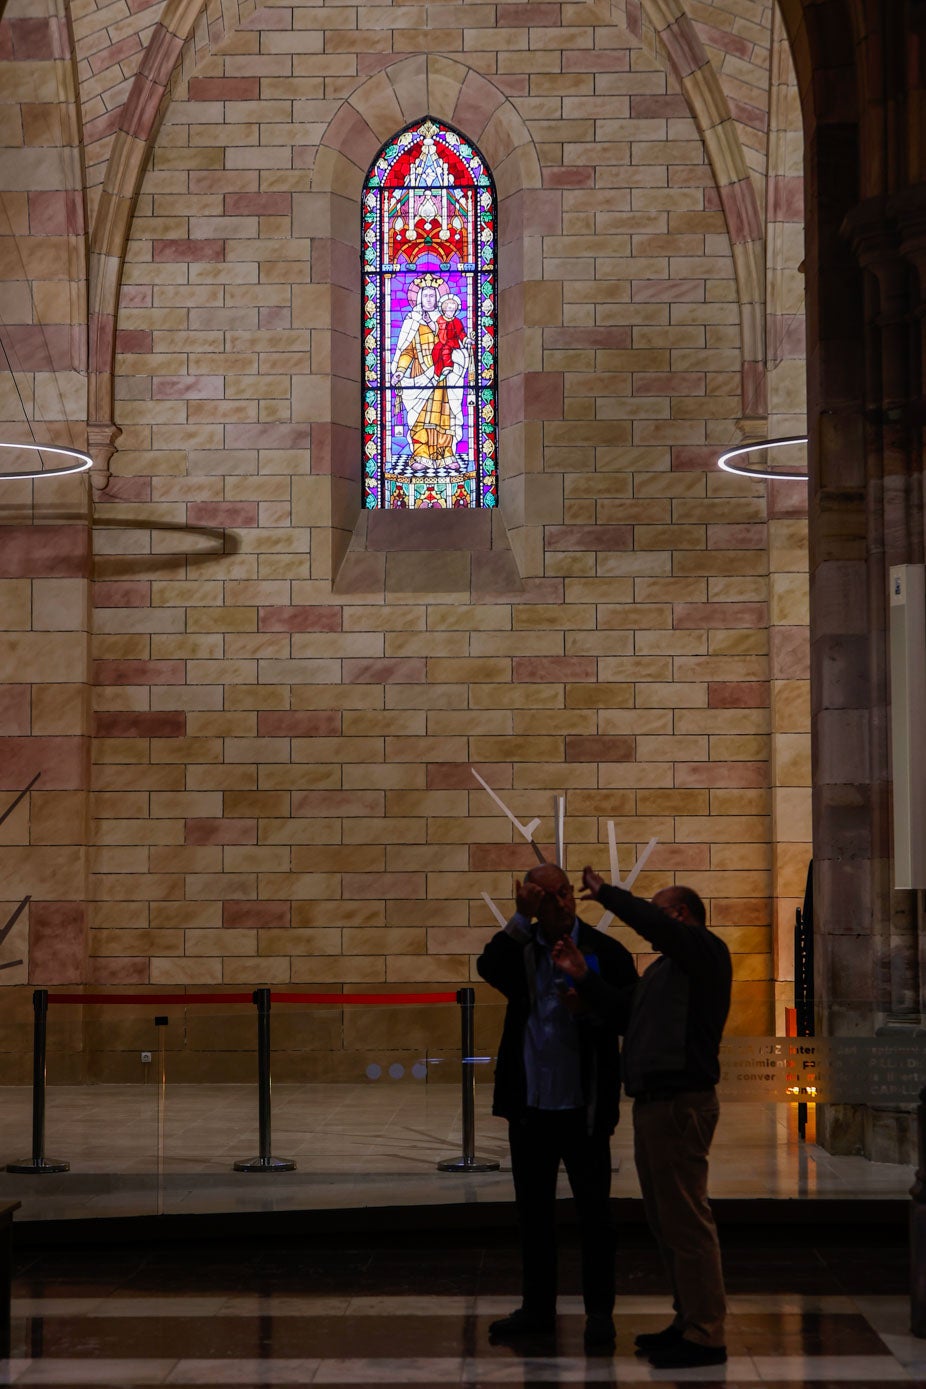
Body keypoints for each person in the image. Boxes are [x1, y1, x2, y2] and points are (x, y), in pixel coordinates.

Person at [553, 868, 732, 1369]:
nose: (654, 920)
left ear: (679, 915)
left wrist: (608, 894)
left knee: (687, 1221)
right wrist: (583, 980)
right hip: (656, 1105)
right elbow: (625, 1013)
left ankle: (706, 1334)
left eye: (660, 910)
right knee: (666, 1221)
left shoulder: (705, 952)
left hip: (680, 1103)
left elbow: (656, 928)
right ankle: (688, 1321)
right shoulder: (665, 971)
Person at [476, 862, 638, 1350]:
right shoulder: (522, 952)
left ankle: (599, 1313)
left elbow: (628, 1015)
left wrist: (587, 1002)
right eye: (548, 898)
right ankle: (537, 1309)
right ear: (533, 903)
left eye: (565, 893)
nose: (562, 903)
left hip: (583, 1107)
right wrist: (518, 920)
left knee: (595, 1216)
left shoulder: (605, 951)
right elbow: (488, 967)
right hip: (532, 1106)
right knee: (534, 1215)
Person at [390, 278, 461, 471]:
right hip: (419, 378)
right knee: (419, 418)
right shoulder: (413, 322)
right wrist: (399, 371)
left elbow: (455, 342)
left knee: (444, 418)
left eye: (432, 295)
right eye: (425, 295)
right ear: (419, 298)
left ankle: (446, 454)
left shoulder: (444, 321)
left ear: (437, 298)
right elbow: (407, 351)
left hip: (442, 378)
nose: (429, 299)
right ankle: (421, 455)